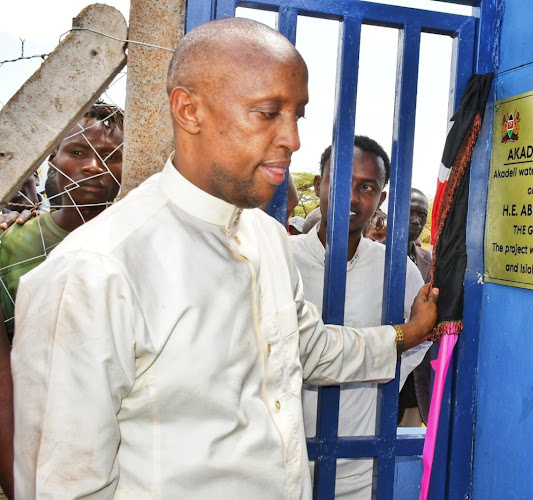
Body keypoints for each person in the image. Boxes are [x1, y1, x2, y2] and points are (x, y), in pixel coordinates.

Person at [11, 18, 437, 499]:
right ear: (188, 110)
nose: (292, 139)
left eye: (297, 114)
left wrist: (405, 335)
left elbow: (306, 348)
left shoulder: (265, 238)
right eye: (267, 113)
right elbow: (66, 484)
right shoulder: (94, 271)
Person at [291, 136, 429, 498]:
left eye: (366, 187)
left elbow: (419, 338)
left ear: (381, 198)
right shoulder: (282, 258)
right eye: (339, 180)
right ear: (319, 184)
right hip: (283, 457)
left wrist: (375, 393)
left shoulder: (396, 269)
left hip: (360, 462)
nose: (351, 197)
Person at [0, 101, 124, 497]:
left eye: (113, 157)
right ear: (49, 157)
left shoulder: (136, 248)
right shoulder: (11, 245)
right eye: (77, 152)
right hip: (30, 429)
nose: (93, 167)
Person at [399, 188, 434, 426]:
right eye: (410, 211)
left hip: (415, 382)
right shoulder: (371, 253)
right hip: (377, 375)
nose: (416, 220)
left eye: (422, 214)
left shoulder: (428, 260)